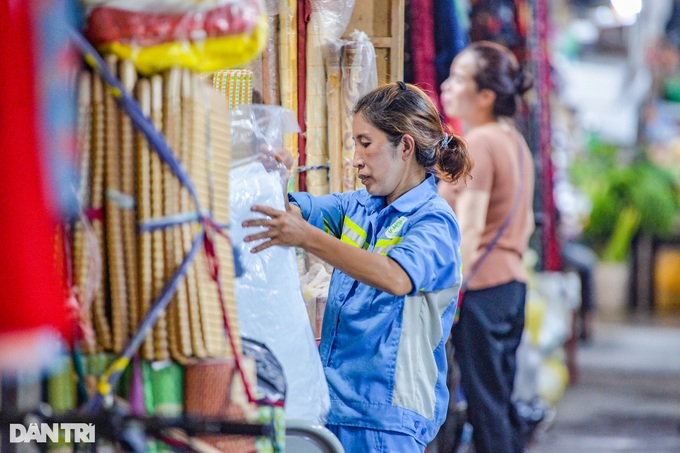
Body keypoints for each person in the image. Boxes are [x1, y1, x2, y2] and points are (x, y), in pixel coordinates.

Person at [242, 82, 472, 452]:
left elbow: (396, 277)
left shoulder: (434, 222)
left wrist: (305, 237)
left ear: (405, 147)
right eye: (355, 145)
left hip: (387, 422)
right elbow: (290, 214)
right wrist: (274, 179)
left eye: (366, 143)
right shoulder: (359, 207)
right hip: (334, 410)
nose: (356, 159)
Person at [438, 41, 536, 453]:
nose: (446, 85)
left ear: (485, 96)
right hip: (511, 288)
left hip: (480, 292)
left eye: (459, 78)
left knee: (486, 409)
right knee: (496, 402)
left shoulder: (478, 143)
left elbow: (469, 228)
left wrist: (443, 293)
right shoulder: (515, 141)